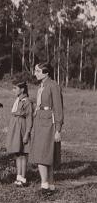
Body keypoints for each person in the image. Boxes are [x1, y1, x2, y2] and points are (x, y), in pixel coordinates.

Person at [30, 62, 64, 196]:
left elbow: (58, 108)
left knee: (43, 155)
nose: (35, 73)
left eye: (38, 71)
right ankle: (50, 186)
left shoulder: (53, 86)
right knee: (45, 154)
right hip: (40, 121)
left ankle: (45, 186)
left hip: (48, 123)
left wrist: (58, 129)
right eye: (35, 71)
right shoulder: (42, 86)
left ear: (46, 72)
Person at [5, 80, 33, 187]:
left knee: (23, 153)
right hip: (15, 128)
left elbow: (29, 119)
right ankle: (18, 176)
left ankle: (23, 177)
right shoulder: (17, 100)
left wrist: (27, 133)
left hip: (22, 128)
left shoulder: (27, 102)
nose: (13, 90)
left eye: (15, 88)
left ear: (22, 89)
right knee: (17, 153)